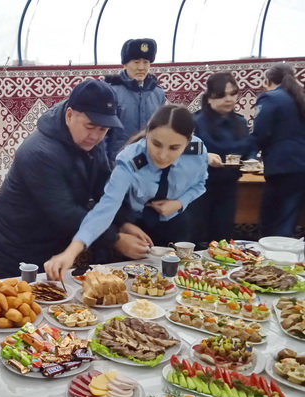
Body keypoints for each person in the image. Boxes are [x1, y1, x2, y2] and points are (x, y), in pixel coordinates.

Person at [0, 79, 152, 279]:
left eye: (103, 129)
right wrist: (115, 239)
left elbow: (104, 187)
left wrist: (123, 221)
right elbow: (65, 213)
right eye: (90, 126)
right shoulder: (39, 153)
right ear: (70, 115)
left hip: (54, 242)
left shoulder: (88, 140)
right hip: (18, 251)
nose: (95, 136)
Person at [45, 105, 208, 279]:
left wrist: (179, 203)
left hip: (176, 222)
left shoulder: (197, 153)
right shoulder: (130, 160)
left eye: (174, 148)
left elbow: (200, 184)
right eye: (156, 144)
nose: (162, 155)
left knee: (176, 281)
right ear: (147, 134)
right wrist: (71, 252)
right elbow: (106, 208)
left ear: (187, 142)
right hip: (137, 226)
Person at [190, 72, 257, 244]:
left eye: (233, 94)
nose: (229, 99)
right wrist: (205, 156)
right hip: (201, 189)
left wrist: (251, 160)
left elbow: (249, 148)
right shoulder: (196, 122)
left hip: (229, 188)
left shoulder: (241, 122)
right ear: (209, 98)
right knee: (198, 237)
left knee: (223, 237)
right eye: (222, 95)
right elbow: (182, 149)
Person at [252, 63, 305, 237]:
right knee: (288, 219)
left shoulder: (270, 98)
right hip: (301, 168)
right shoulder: (301, 99)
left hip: (281, 166)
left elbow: (261, 132)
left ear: (268, 81)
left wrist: (247, 153)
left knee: (272, 221)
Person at [104, 38, 166, 165]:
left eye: (146, 62)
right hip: (119, 162)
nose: (141, 68)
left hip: (150, 162)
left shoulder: (158, 93)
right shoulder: (111, 92)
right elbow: (103, 133)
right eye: (136, 62)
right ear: (125, 64)